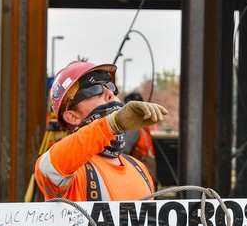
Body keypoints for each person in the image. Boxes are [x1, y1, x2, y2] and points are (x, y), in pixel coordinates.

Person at [35, 61, 167, 201]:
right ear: (72, 116)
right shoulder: (70, 172)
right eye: (94, 89)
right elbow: (47, 167)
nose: (110, 93)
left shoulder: (139, 169)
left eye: (111, 86)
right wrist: (113, 123)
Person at [120, 92, 158, 182]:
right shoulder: (143, 124)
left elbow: (124, 149)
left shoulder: (134, 127)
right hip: (147, 166)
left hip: (140, 167)